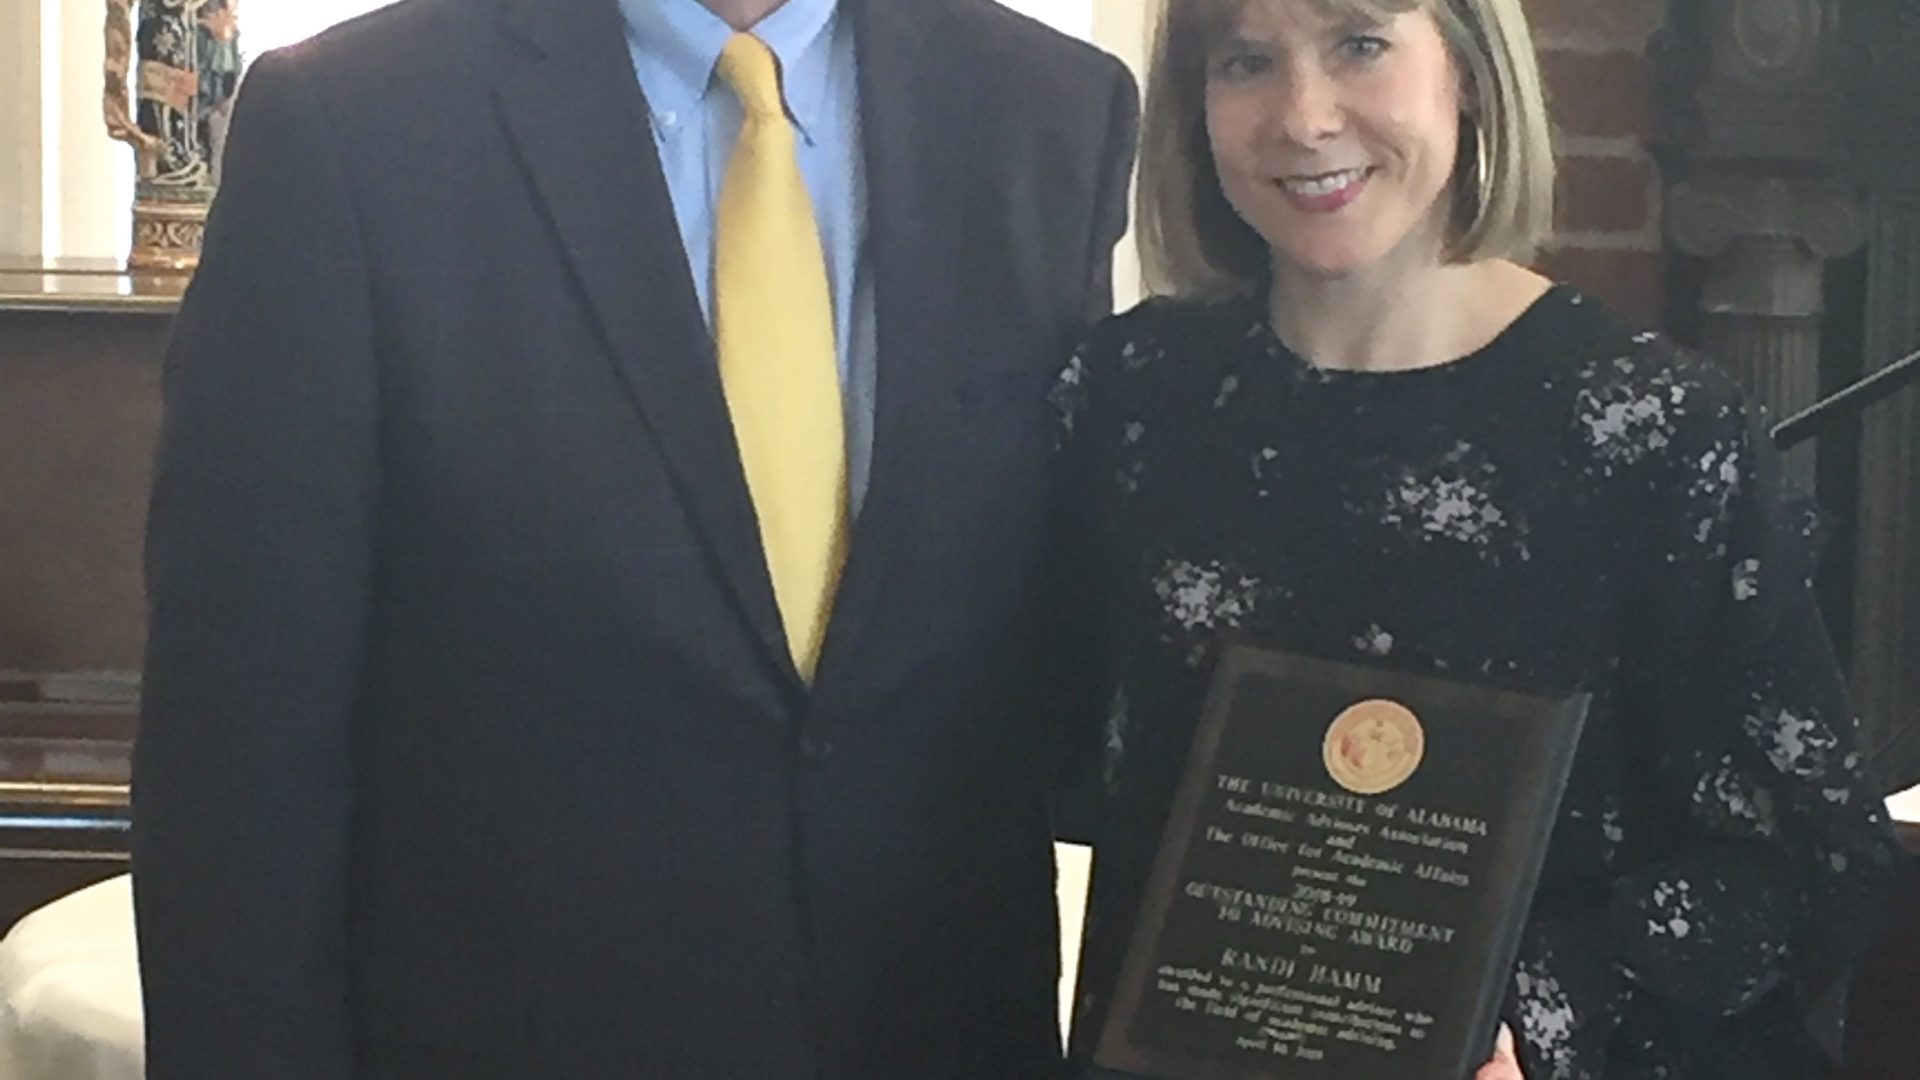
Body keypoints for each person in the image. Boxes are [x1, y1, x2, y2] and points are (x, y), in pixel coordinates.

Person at [132, 0, 1138, 1076]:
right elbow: (238, 742)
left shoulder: (1051, 109)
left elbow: (1075, 645)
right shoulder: (353, 125)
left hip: (945, 1035)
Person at [1052, 0, 1900, 1077]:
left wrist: (1534, 1014)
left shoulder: (1654, 430)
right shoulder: (1132, 396)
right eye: (1247, 63)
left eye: (1360, 44)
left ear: (1467, 70)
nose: (1304, 117)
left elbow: (1811, 859)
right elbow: (1032, 749)